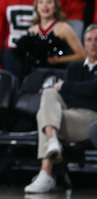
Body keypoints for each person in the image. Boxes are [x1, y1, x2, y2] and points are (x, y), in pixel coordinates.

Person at [24, 23, 97, 193]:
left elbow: (93, 92)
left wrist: (66, 87)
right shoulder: (74, 68)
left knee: (44, 116)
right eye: (89, 39)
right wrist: (78, 92)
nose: (93, 43)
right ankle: (52, 143)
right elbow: (73, 97)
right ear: (84, 43)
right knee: (49, 93)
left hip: (92, 121)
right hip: (69, 116)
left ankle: (46, 173)